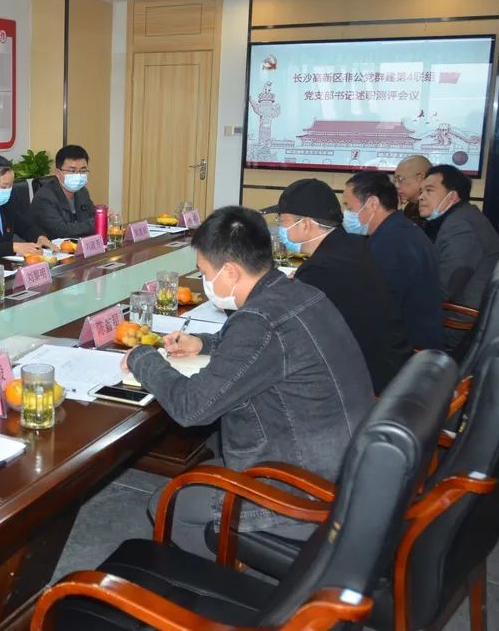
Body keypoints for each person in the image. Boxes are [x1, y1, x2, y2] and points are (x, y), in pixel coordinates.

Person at [122, 207, 374, 555]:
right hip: (344, 468)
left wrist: (142, 358)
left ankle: (223, 584)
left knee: (169, 502)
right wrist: (204, 343)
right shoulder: (299, 293)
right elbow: (267, 350)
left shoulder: (259, 321)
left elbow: (192, 408)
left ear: (230, 271)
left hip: (302, 491)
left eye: (205, 272)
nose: (205, 280)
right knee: (199, 473)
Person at [268, 179, 411, 393]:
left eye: (282, 220)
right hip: (390, 367)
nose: (280, 227)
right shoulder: (351, 246)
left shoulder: (322, 269)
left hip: (366, 384)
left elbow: (288, 328)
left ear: (305, 224)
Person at [343, 171, 444, 351]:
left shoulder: (388, 246)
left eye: (349, 208)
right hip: (420, 340)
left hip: (405, 349)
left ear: (372, 204)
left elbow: (374, 311)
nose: (346, 215)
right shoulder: (403, 230)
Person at [419, 164, 499, 348]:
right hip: (458, 314)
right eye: (421, 191)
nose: (421, 197)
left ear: (452, 196)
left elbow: (442, 290)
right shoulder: (464, 215)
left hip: (455, 325)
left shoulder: (461, 228)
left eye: (429, 190)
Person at [30, 144, 96, 239]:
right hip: (52, 246)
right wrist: (97, 222)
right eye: (72, 171)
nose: (78, 175)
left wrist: (103, 215)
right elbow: (62, 231)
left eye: (83, 171)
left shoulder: (82, 192)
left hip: (78, 244)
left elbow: (92, 216)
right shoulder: (44, 197)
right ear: (58, 173)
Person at [394, 155, 432, 227]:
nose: (396, 186)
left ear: (420, 178)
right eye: (395, 180)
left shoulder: (434, 208)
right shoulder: (410, 208)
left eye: (400, 179)